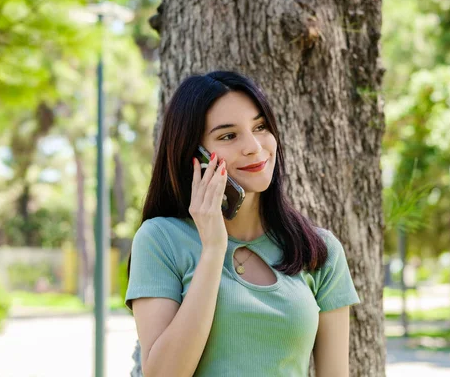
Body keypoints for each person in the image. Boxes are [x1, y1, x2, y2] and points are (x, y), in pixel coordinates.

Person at [125, 70, 360, 376]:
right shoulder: (160, 239)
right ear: (195, 155)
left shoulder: (318, 250)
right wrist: (212, 249)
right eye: (228, 136)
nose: (254, 146)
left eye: (260, 127)